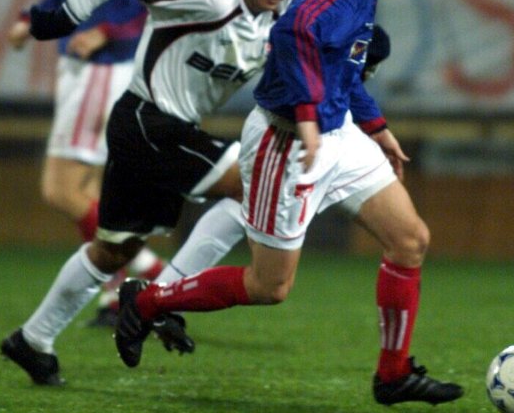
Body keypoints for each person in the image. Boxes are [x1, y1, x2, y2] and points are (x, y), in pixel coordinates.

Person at [114, 0, 464, 408]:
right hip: (288, 142)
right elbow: (291, 31)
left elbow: (344, 69)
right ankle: (147, 302)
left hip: (335, 133)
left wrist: (377, 129)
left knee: (410, 239)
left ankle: (392, 374)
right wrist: (305, 116)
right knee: (269, 287)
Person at [0, 0, 307, 385]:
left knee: (113, 251)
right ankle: (161, 303)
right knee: (253, 189)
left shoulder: (277, 27)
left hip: (159, 130)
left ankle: (33, 340)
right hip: (148, 121)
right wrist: (62, 14)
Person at [6, 0, 165, 320]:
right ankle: (122, 291)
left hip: (103, 70)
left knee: (61, 188)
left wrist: (107, 32)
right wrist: (32, 20)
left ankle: (140, 265)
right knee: (92, 192)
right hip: (76, 68)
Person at [152, 23, 392, 286]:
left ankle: (156, 294)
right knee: (269, 281)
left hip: (312, 134)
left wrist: (375, 126)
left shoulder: (333, 20)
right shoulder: (310, 27)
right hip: (277, 134)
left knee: (409, 239)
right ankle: (154, 297)